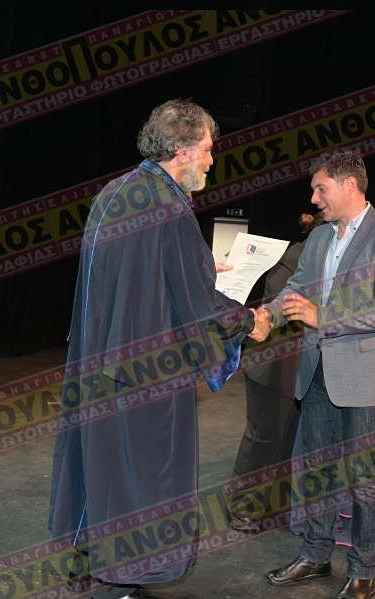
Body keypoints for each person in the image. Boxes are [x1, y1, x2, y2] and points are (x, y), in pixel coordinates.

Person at [47, 99, 270, 599]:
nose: (211, 160)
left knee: (101, 472)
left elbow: (137, 276)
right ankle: (127, 580)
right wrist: (249, 321)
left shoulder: (115, 192)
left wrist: (201, 267)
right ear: (183, 150)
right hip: (145, 375)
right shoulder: (169, 207)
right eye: (207, 150)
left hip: (98, 362)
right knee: (143, 481)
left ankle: (94, 566)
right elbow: (197, 306)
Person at [259, 150, 375, 599]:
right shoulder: (321, 237)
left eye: (320, 188)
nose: (314, 197)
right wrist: (266, 316)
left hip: (364, 379)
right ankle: (315, 554)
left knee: (363, 477)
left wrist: (322, 316)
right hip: (317, 372)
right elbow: (296, 289)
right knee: (317, 471)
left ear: (349, 185)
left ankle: (363, 570)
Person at [228, 211, 324, 532]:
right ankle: (242, 508)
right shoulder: (297, 258)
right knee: (264, 437)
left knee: (284, 438)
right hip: (272, 365)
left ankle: (271, 505)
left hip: (291, 365)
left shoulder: (308, 256)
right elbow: (278, 309)